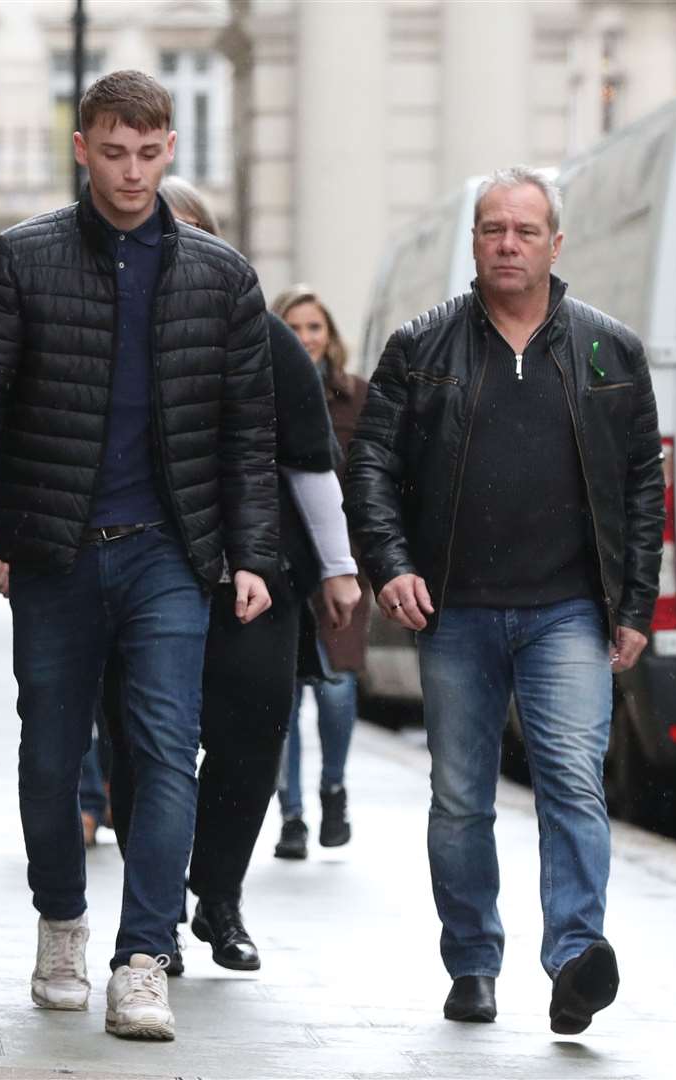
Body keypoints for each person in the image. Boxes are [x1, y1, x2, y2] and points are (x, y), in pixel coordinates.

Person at [0, 70, 278, 1042]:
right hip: (52, 549)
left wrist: (250, 551)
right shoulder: (19, 260)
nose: (130, 172)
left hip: (169, 551)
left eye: (148, 152)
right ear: (81, 148)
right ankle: (60, 919)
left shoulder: (221, 276)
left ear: (170, 151)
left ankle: (143, 958)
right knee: (50, 754)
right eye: (112, 152)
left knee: (168, 749)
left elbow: (247, 431)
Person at [345, 165, 664, 1034]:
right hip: (457, 609)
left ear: (555, 244)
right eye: (493, 230)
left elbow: (641, 483)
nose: (508, 244)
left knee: (570, 782)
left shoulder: (608, 350)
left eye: (525, 231)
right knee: (459, 797)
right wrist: (389, 563)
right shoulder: (422, 346)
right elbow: (370, 463)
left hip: (568, 611)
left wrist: (633, 605)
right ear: (474, 242)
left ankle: (571, 960)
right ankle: (472, 963)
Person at [102, 177, 362, 974]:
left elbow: (310, 461)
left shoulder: (259, 333)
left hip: (254, 574)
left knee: (251, 734)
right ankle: (155, 911)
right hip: (141, 568)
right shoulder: (106, 325)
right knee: (141, 743)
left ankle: (217, 894)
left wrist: (338, 568)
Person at [269, 286, 371, 858]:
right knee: (283, 699)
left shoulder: (356, 398)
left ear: (330, 334)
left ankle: (333, 786)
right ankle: (292, 816)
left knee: (336, 691)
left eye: (315, 327)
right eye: (294, 326)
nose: (305, 338)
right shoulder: (264, 389)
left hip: (342, 564)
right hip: (281, 563)